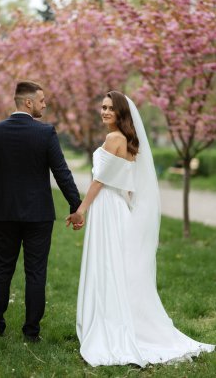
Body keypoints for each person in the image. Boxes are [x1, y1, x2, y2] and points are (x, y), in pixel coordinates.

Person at [67, 91, 214, 366]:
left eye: (111, 108)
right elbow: (130, 186)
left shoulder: (113, 139)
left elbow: (99, 181)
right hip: (118, 207)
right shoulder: (129, 141)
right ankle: (121, 317)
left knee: (109, 265)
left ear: (122, 113)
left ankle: (112, 322)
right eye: (103, 107)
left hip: (107, 207)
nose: (105, 112)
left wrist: (81, 210)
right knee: (118, 267)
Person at [0, 80, 83, 342]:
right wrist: (76, 205)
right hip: (38, 215)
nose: (45, 104)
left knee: (2, 268)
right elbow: (61, 172)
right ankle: (31, 332)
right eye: (41, 100)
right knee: (36, 272)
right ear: (28, 102)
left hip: (4, 213)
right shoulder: (45, 133)